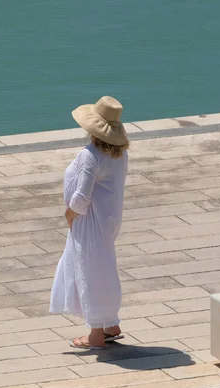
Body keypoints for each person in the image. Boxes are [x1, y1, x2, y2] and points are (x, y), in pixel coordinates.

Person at [50, 96, 130, 349]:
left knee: (90, 271)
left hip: (90, 219)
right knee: (103, 266)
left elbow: (82, 195)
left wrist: (69, 214)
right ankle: (110, 324)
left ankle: (96, 335)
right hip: (109, 218)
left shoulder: (90, 155)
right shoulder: (119, 154)